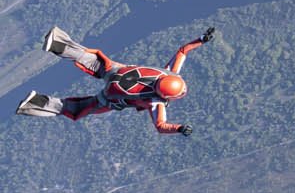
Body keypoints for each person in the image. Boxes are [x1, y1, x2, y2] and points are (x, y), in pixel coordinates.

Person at [17, 26, 213, 133]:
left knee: (89, 59)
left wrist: (201, 39)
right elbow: (161, 126)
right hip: (110, 98)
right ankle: (34, 103)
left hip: (116, 71)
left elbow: (182, 51)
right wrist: (178, 128)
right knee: (77, 108)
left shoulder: (168, 72)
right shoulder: (156, 101)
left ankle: (58, 43)